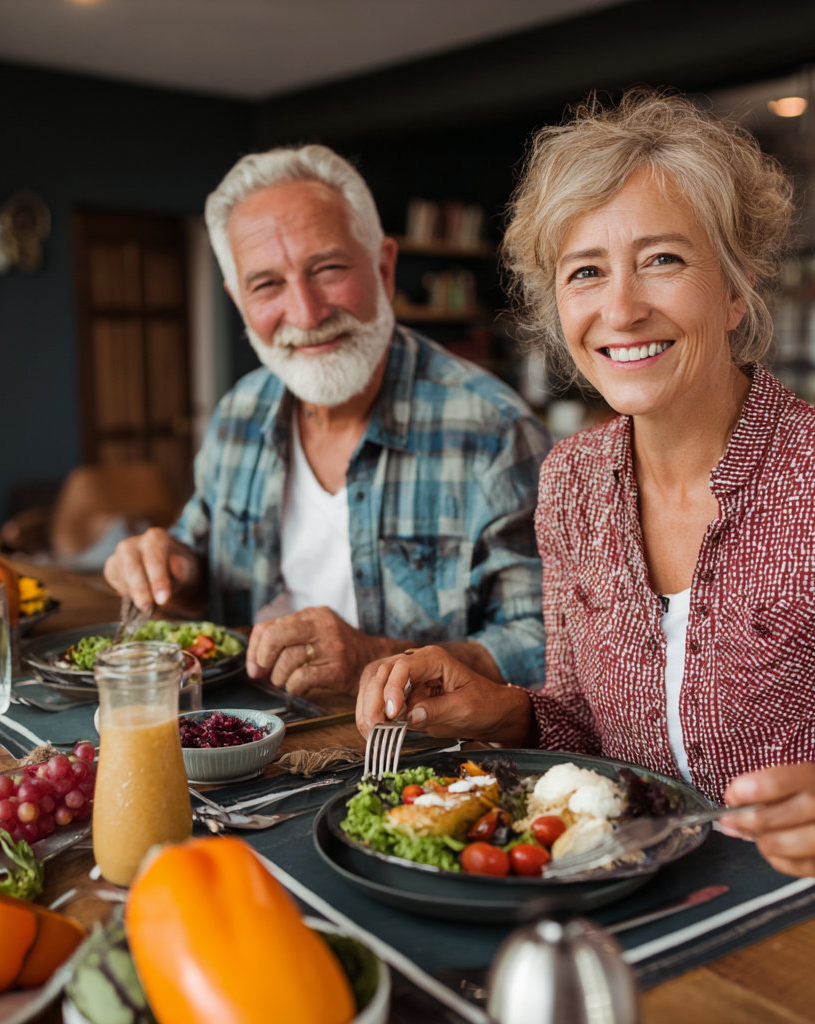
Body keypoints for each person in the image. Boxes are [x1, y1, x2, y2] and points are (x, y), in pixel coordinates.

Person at [358, 91, 815, 915]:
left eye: (663, 260)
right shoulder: (572, 482)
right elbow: (586, 726)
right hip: (631, 905)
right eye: (586, 272)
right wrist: (506, 711)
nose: (621, 309)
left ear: (736, 287)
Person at [105, 145, 551, 695]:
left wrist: (376, 659)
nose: (307, 313)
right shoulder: (238, 413)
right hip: (242, 740)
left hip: (418, 760)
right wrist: (167, 563)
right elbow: (201, 564)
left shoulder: (494, 431)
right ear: (239, 301)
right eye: (266, 284)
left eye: (329, 269)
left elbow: (547, 643)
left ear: (384, 268)